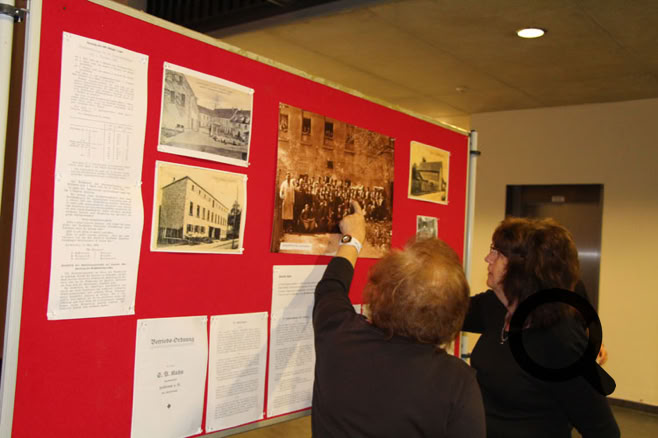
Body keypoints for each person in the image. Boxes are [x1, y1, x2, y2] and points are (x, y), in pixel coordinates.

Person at [312, 201, 485, 437]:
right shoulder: (457, 380)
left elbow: (331, 288)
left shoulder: (341, 335)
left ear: (380, 293)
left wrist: (353, 239)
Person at [463, 217, 620, 438]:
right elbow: (443, 313)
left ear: (525, 269)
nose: (488, 258)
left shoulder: (561, 340)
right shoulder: (495, 306)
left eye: (498, 253)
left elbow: (603, 431)